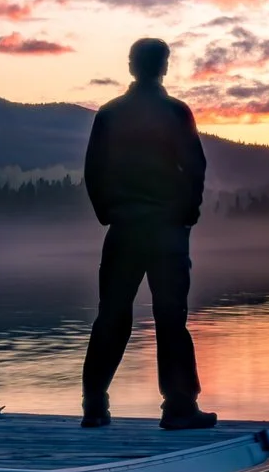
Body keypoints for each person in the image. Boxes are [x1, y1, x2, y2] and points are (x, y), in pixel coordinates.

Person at [80, 37, 214, 429]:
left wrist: (109, 213)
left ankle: (93, 403)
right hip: (166, 231)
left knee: (111, 316)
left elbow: (93, 171)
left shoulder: (109, 113)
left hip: (123, 228)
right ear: (164, 66)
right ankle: (178, 407)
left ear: (130, 65)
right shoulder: (175, 112)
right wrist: (187, 214)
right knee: (171, 317)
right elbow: (195, 168)